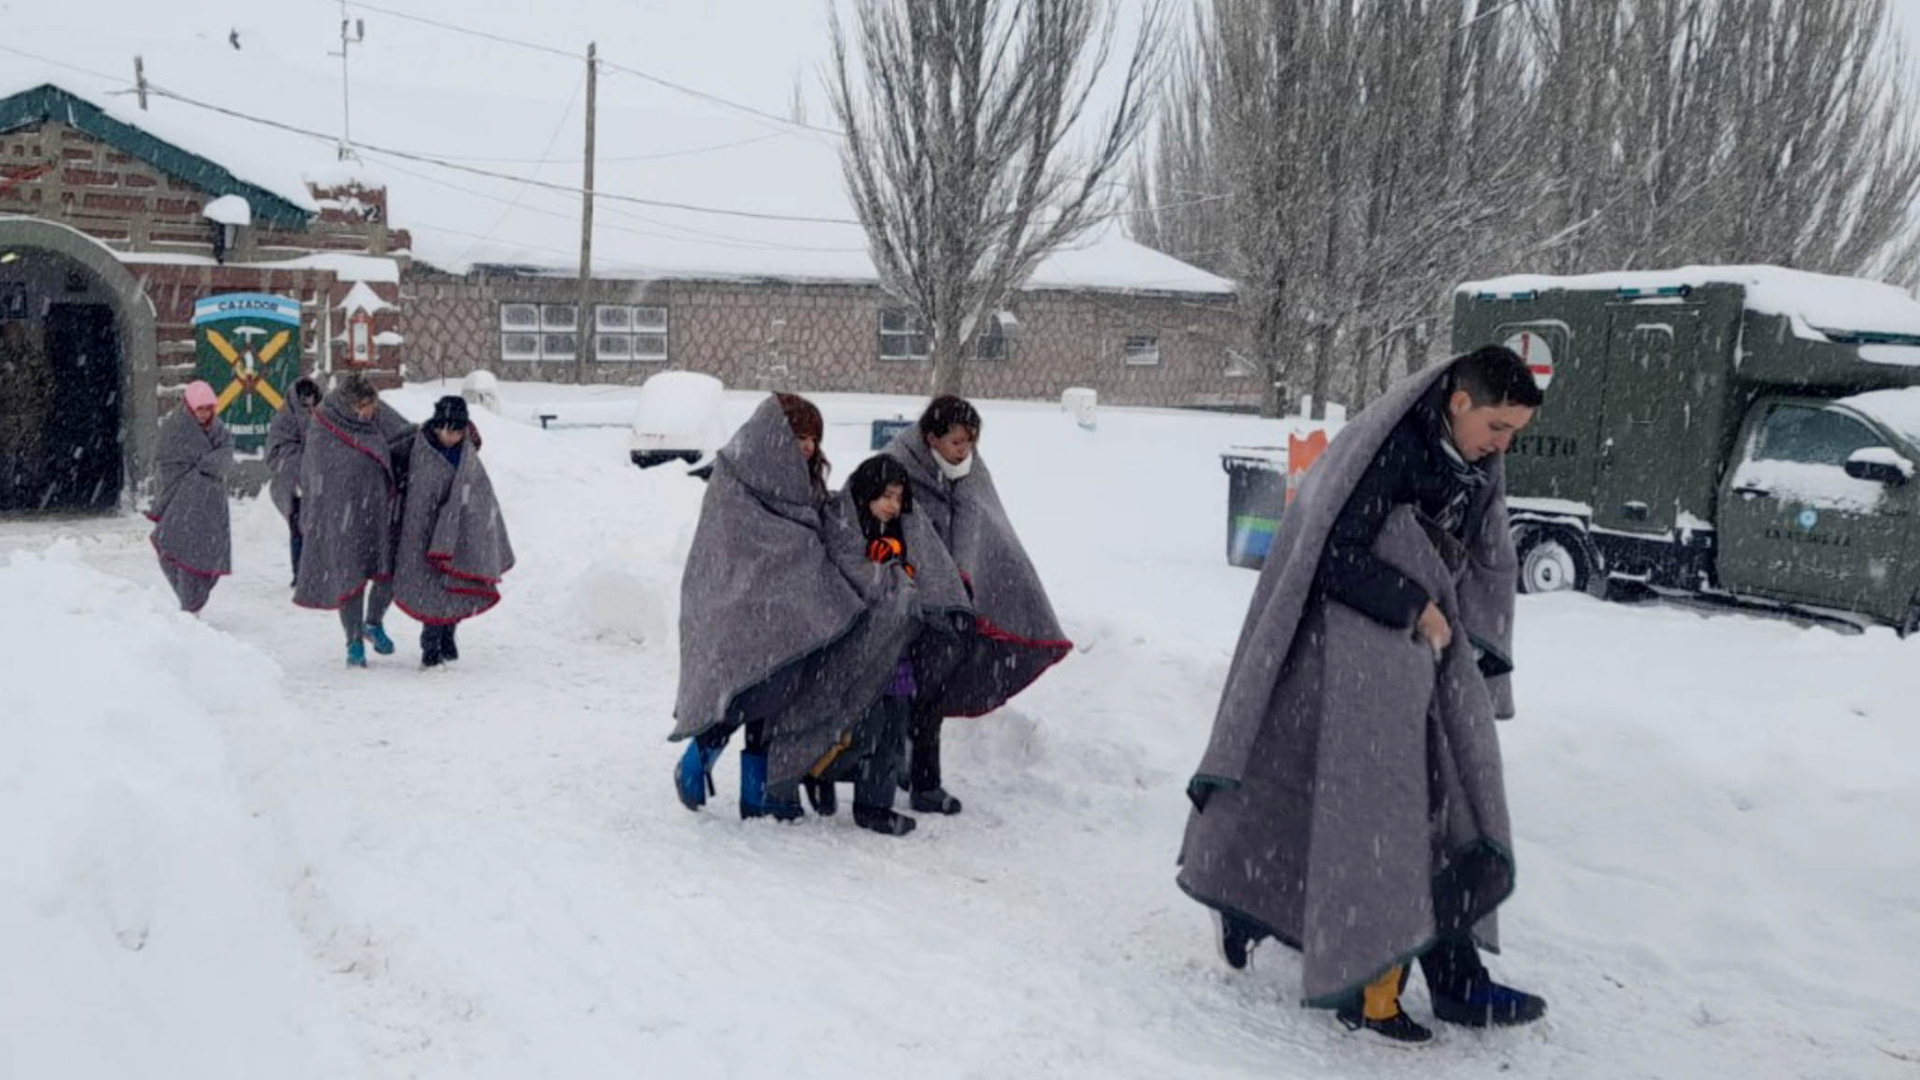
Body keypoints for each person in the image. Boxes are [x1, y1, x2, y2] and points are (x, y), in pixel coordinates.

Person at [1176, 345, 1548, 1046]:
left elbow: (1475, 554)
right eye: (1498, 428)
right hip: (1345, 664)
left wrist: (1460, 625)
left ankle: (1455, 981)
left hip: (1420, 660)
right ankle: (1306, 941)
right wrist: (1415, 603)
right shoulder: (1392, 452)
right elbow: (1334, 554)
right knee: (1374, 819)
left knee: (1439, 808)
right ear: (1460, 401)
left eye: (1512, 436)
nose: (1502, 448)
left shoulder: (1470, 464)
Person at [671, 394, 919, 822]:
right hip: (741, 608)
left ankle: (757, 795)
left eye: (813, 438)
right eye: (798, 436)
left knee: (776, 698)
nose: (807, 446)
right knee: (742, 692)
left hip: (790, 612)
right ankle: (699, 758)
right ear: (774, 436)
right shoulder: (737, 479)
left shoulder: (806, 482)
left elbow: (817, 529)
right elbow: (731, 546)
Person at [881, 396, 1071, 815]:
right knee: (917, 691)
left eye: (970, 441)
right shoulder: (897, 465)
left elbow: (985, 522)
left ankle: (907, 767)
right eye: (955, 442)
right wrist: (929, 582)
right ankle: (920, 781)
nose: (963, 450)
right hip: (912, 602)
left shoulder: (970, 469)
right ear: (931, 437)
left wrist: (969, 580)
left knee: (930, 690)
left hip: (960, 606)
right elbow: (894, 525)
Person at [802, 453, 971, 837]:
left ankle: (873, 806)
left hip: (895, 650)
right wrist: (889, 575)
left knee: (894, 726)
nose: (894, 506)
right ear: (866, 493)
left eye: (898, 497)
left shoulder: (900, 534)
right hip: (856, 649)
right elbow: (854, 579)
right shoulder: (843, 525)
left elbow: (918, 579)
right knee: (865, 727)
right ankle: (816, 770)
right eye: (886, 496)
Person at [294, 373, 416, 667]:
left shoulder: (377, 412)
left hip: (380, 510)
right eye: (364, 408)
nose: (370, 414)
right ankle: (353, 641)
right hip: (341, 517)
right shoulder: (323, 426)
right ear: (350, 406)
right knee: (351, 578)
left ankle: (373, 622)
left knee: (388, 572)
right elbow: (315, 474)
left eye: (372, 406)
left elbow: (404, 435)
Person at [392, 396, 515, 668]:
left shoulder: (468, 452)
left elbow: (478, 489)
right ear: (435, 426)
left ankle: (449, 633)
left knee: (458, 584)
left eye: (457, 431)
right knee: (430, 588)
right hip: (422, 529)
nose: (451, 437)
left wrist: (469, 516)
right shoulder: (417, 447)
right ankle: (430, 642)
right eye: (446, 430)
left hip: (457, 529)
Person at [148, 380, 232, 614]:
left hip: (211, 504)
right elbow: (167, 462)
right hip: (180, 500)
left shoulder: (219, 431)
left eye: (208, 409)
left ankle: (195, 597)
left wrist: (205, 465)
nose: (205, 415)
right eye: (200, 409)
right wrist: (195, 474)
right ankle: (189, 600)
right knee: (179, 547)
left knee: (209, 550)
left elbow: (225, 456)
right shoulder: (174, 428)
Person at [267, 377, 321, 585]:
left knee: (320, 530)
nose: (309, 403)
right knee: (299, 529)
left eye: (312, 398)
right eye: (304, 399)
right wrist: (299, 463)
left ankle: (318, 572)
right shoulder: (284, 419)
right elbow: (275, 452)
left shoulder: (325, 415)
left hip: (320, 484)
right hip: (295, 486)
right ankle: (299, 573)